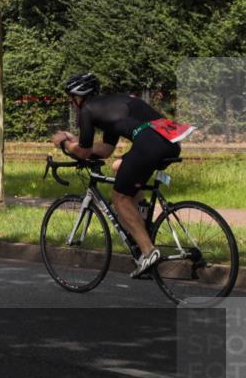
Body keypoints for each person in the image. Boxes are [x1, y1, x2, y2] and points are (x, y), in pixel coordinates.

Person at [51, 73, 195, 278]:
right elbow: (106, 150)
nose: (71, 103)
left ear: (78, 96)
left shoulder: (88, 110)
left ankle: (148, 251)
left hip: (149, 144)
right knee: (120, 167)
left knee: (120, 198)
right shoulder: (113, 105)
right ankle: (144, 224)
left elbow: (83, 152)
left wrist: (65, 143)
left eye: (71, 98)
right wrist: (77, 142)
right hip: (169, 141)